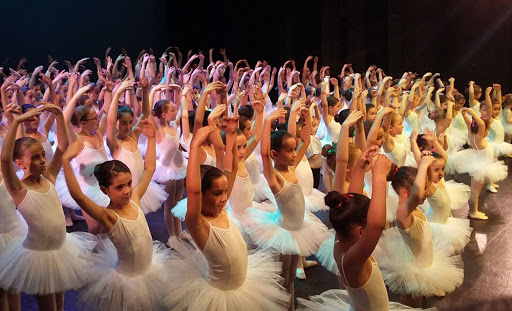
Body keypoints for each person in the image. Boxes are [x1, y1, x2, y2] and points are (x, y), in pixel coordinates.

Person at [165, 122, 290, 311]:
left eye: (225, 192)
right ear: (202, 195)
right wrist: (194, 146)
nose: (224, 198)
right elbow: (193, 190)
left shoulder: (221, 210)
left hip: (243, 286)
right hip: (221, 297)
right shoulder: (199, 224)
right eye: (217, 194)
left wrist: (231, 136)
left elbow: (230, 170)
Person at [63, 119, 171, 311]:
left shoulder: (136, 199)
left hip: (149, 269)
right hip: (128, 281)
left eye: (129, 183)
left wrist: (152, 138)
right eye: (119, 187)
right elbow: (79, 197)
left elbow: (149, 169)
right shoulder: (109, 216)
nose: (128, 190)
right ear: (105, 190)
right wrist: (65, 160)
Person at [0, 105, 94, 311]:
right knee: (48, 308)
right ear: (20, 163)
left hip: (61, 249)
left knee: (59, 306)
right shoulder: (19, 188)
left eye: (42, 155)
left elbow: (62, 146)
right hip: (38, 256)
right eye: (35, 157)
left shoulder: (49, 178)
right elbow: (4, 160)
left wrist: (60, 115)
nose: (43, 160)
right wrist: (15, 121)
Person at [246, 106, 330, 310]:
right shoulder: (275, 178)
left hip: (299, 228)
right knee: (284, 278)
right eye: (289, 150)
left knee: (291, 275)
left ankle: (290, 306)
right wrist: (266, 123)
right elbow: (264, 154)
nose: (295, 154)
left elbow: (307, 141)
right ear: (276, 154)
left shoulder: (291, 168)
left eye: (294, 150)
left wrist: (306, 119)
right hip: (284, 231)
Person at [373, 156, 463, 307]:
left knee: (418, 297)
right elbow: (418, 194)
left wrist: (425, 167)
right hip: (413, 267)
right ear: (405, 192)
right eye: (424, 188)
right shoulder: (403, 214)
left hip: (422, 260)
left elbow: (419, 192)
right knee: (410, 302)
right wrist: (424, 164)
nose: (426, 192)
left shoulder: (413, 209)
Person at [449, 107, 508, 219]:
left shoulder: (472, 135)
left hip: (480, 165)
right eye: (487, 129)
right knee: (475, 192)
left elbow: (469, 124)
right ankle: (473, 212)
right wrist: (472, 113)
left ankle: (474, 210)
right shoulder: (478, 139)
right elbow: (481, 125)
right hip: (480, 168)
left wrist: (465, 115)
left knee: (476, 191)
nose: (488, 131)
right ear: (482, 130)